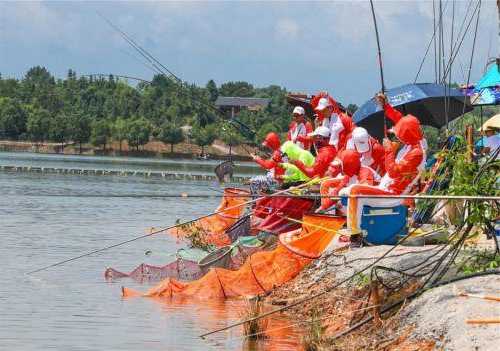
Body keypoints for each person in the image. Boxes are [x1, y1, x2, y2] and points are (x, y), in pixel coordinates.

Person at [343, 92, 426, 237]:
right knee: (344, 192)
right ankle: (358, 224)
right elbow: (401, 121)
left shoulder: (416, 153)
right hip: (386, 187)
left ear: (406, 135)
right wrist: (386, 106)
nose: (396, 136)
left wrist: (388, 150)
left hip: (392, 195)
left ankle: (354, 233)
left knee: (354, 191)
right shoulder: (412, 142)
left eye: (399, 134)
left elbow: (394, 172)